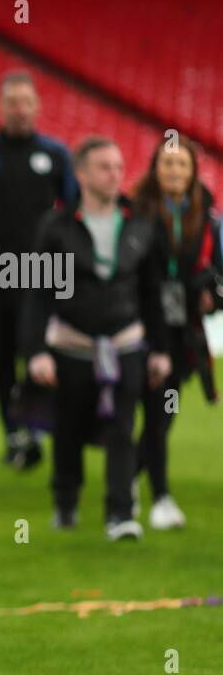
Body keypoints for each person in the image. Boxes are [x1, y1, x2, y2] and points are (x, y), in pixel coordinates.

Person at [24, 137, 171, 541]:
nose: (115, 175)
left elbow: (151, 292)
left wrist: (159, 348)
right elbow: (37, 294)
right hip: (72, 344)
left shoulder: (140, 223)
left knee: (123, 428)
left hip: (124, 343)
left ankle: (120, 514)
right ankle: (66, 502)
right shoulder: (55, 226)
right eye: (105, 167)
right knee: (68, 427)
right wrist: (36, 351)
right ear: (82, 173)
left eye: (119, 167)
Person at [0, 71, 77, 470]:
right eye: (12, 102)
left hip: (45, 273)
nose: (20, 109)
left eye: (27, 102)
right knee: (4, 359)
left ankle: (33, 428)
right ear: (1, 106)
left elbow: (75, 212)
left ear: (37, 107)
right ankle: (13, 433)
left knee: (42, 357)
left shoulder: (56, 155)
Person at [130, 135, 222, 528]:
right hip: (139, 332)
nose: (174, 171)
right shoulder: (136, 214)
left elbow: (219, 278)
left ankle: (134, 485)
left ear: (192, 172)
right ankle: (153, 495)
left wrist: (211, 298)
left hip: (183, 339)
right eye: (167, 164)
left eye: (182, 164)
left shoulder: (207, 221)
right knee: (145, 414)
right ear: (155, 169)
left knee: (162, 414)